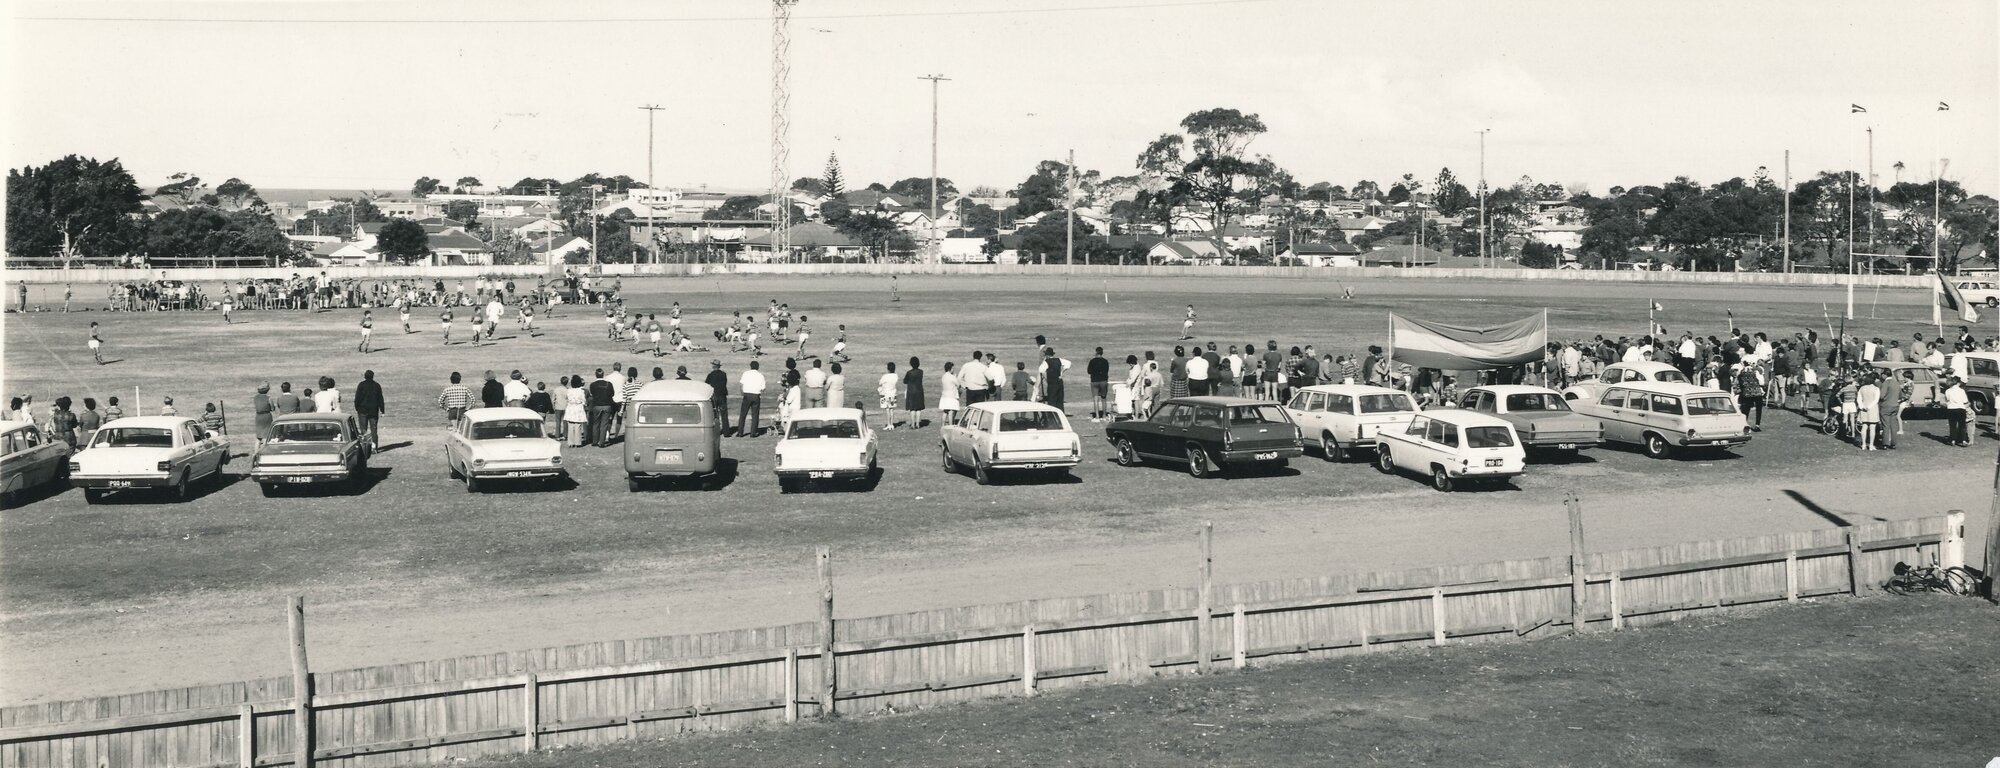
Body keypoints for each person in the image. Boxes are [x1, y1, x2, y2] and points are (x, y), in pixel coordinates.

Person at [588, 370, 617, 447]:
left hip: (596, 405)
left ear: (595, 375)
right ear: (603, 375)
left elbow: (592, 394)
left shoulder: (592, 385)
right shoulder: (608, 384)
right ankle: (601, 442)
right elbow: (612, 394)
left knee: (596, 424)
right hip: (607, 405)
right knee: (604, 424)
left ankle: (595, 441)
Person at [1876, 370, 1904, 449]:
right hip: (1895, 406)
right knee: (1893, 425)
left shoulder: (1886, 383)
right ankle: (1893, 443)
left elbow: (1882, 395)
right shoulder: (1896, 383)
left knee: (1885, 425)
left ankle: (1885, 443)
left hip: (1886, 406)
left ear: (1884, 375)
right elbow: (1901, 395)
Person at [738, 361, 767, 437]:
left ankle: (740, 432)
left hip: (747, 394)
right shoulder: (760, 375)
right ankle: (753, 432)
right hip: (756, 395)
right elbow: (763, 388)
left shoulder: (746, 373)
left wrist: (742, 393)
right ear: (758, 367)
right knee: (755, 415)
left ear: (750, 366)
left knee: (743, 414)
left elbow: (741, 384)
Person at [1733, 363, 1765, 432]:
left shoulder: (1741, 372)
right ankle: (1757, 425)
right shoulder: (1756, 372)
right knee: (1758, 409)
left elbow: (1739, 383)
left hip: (1747, 392)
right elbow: (1761, 382)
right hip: (1757, 392)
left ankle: (1744, 424)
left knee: (1746, 409)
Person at [1943, 376, 1973, 446]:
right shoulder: (1961, 391)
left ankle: (1952, 440)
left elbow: (1947, 400)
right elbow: (1965, 401)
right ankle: (1964, 440)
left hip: (1951, 409)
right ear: (1959, 382)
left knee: (1952, 425)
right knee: (1962, 425)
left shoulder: (1947, 391)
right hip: (1960, 408)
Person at [705, 361, 732, 436]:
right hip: (722, 395)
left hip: (714, 396)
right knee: (724, 414)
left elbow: (706, 384)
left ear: (713, 366)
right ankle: (726, 432)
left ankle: (715, 431)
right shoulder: (723, 374)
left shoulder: (711, 375)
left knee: (714, 414)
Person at [1855, 375, 1881, 451]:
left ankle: (1863, 444)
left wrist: (1862, 406)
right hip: (1873, 409)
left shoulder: (1862, 388)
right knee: (1872, 427)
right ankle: (1871, 445)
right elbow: (1876, 400)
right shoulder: (1876, 389)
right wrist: (1869, 407)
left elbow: (1859, 399)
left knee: (1864, 426)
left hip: (1863, 408)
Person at [563, 375, 590, 447]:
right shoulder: (581, 391)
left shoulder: (569, 390)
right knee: (578, 425)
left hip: (570, 408)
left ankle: (571, 442)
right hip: (578, 408)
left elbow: (566, 398)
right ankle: (577, 442)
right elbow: (583, 401)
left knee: (570, 425)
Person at [875, 361, 901, 430]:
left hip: (886, 393)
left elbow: (880, 383)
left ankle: (889, 424)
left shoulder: (885, 376)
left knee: (887, 409)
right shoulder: (896, 376)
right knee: (891, 409)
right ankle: (891, 424)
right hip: (893, 393)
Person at [903, 356, 926, 427]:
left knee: (912, 408)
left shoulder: (909, 373)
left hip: (911, 391)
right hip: (919, 391)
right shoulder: (921, 372)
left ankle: (913, 424)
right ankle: (918, 423)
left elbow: (905, 381)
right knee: (918, 408)